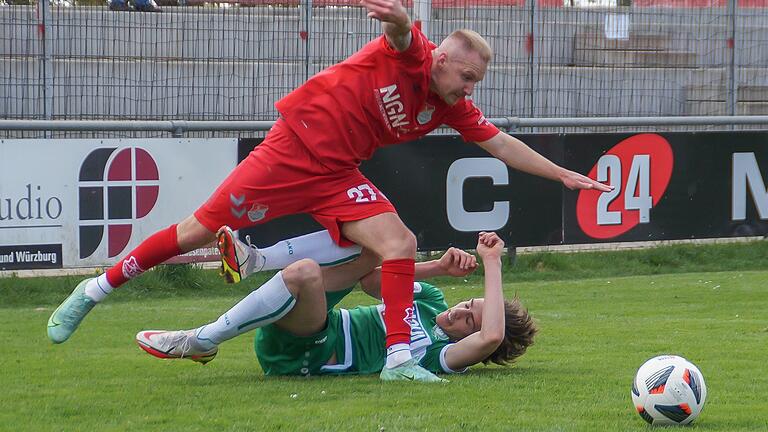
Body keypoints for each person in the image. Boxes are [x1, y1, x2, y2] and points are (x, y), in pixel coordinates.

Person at [47, 0, 607, 382]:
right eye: (466, 77)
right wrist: (400, 20)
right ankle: (94, 290)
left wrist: (560, 173)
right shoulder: (415, 54)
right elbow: (402, 36)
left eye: (476, 82)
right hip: (292, 149)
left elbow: (502, 144)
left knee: (397, 243)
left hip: (337, 173)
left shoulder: (451, 106)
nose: (469, 89)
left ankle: (395, 360)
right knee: (195, 229)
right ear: (440, 60)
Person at [136, 232, 537, 380]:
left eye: (467, 319)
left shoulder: (448, 357)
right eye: (467, 303)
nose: (458, 312)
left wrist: (491, 261)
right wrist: (438, 268)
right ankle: (253, 260)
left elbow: (493, 334)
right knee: (367, 243)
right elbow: (372, 279)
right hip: (317, 324)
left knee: (304, 273)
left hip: (312, 352)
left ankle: (206, 335)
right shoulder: (431, 299)